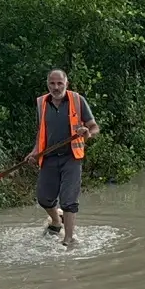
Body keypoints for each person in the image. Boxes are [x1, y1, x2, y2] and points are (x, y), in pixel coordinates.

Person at [25, 70, 100, 246]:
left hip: (71, 158)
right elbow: (41, 131)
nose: (56, 87)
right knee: (44, 198)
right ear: (47, 84)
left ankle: (68, 239)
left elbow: (94, 128)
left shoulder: (77, 100)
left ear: (66, 83)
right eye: (52, 83)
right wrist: (34, 152)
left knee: (68, 200)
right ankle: (57, 221)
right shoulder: (41, 102)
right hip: (49, 157)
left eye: (60, 83)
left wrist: (87, 132)